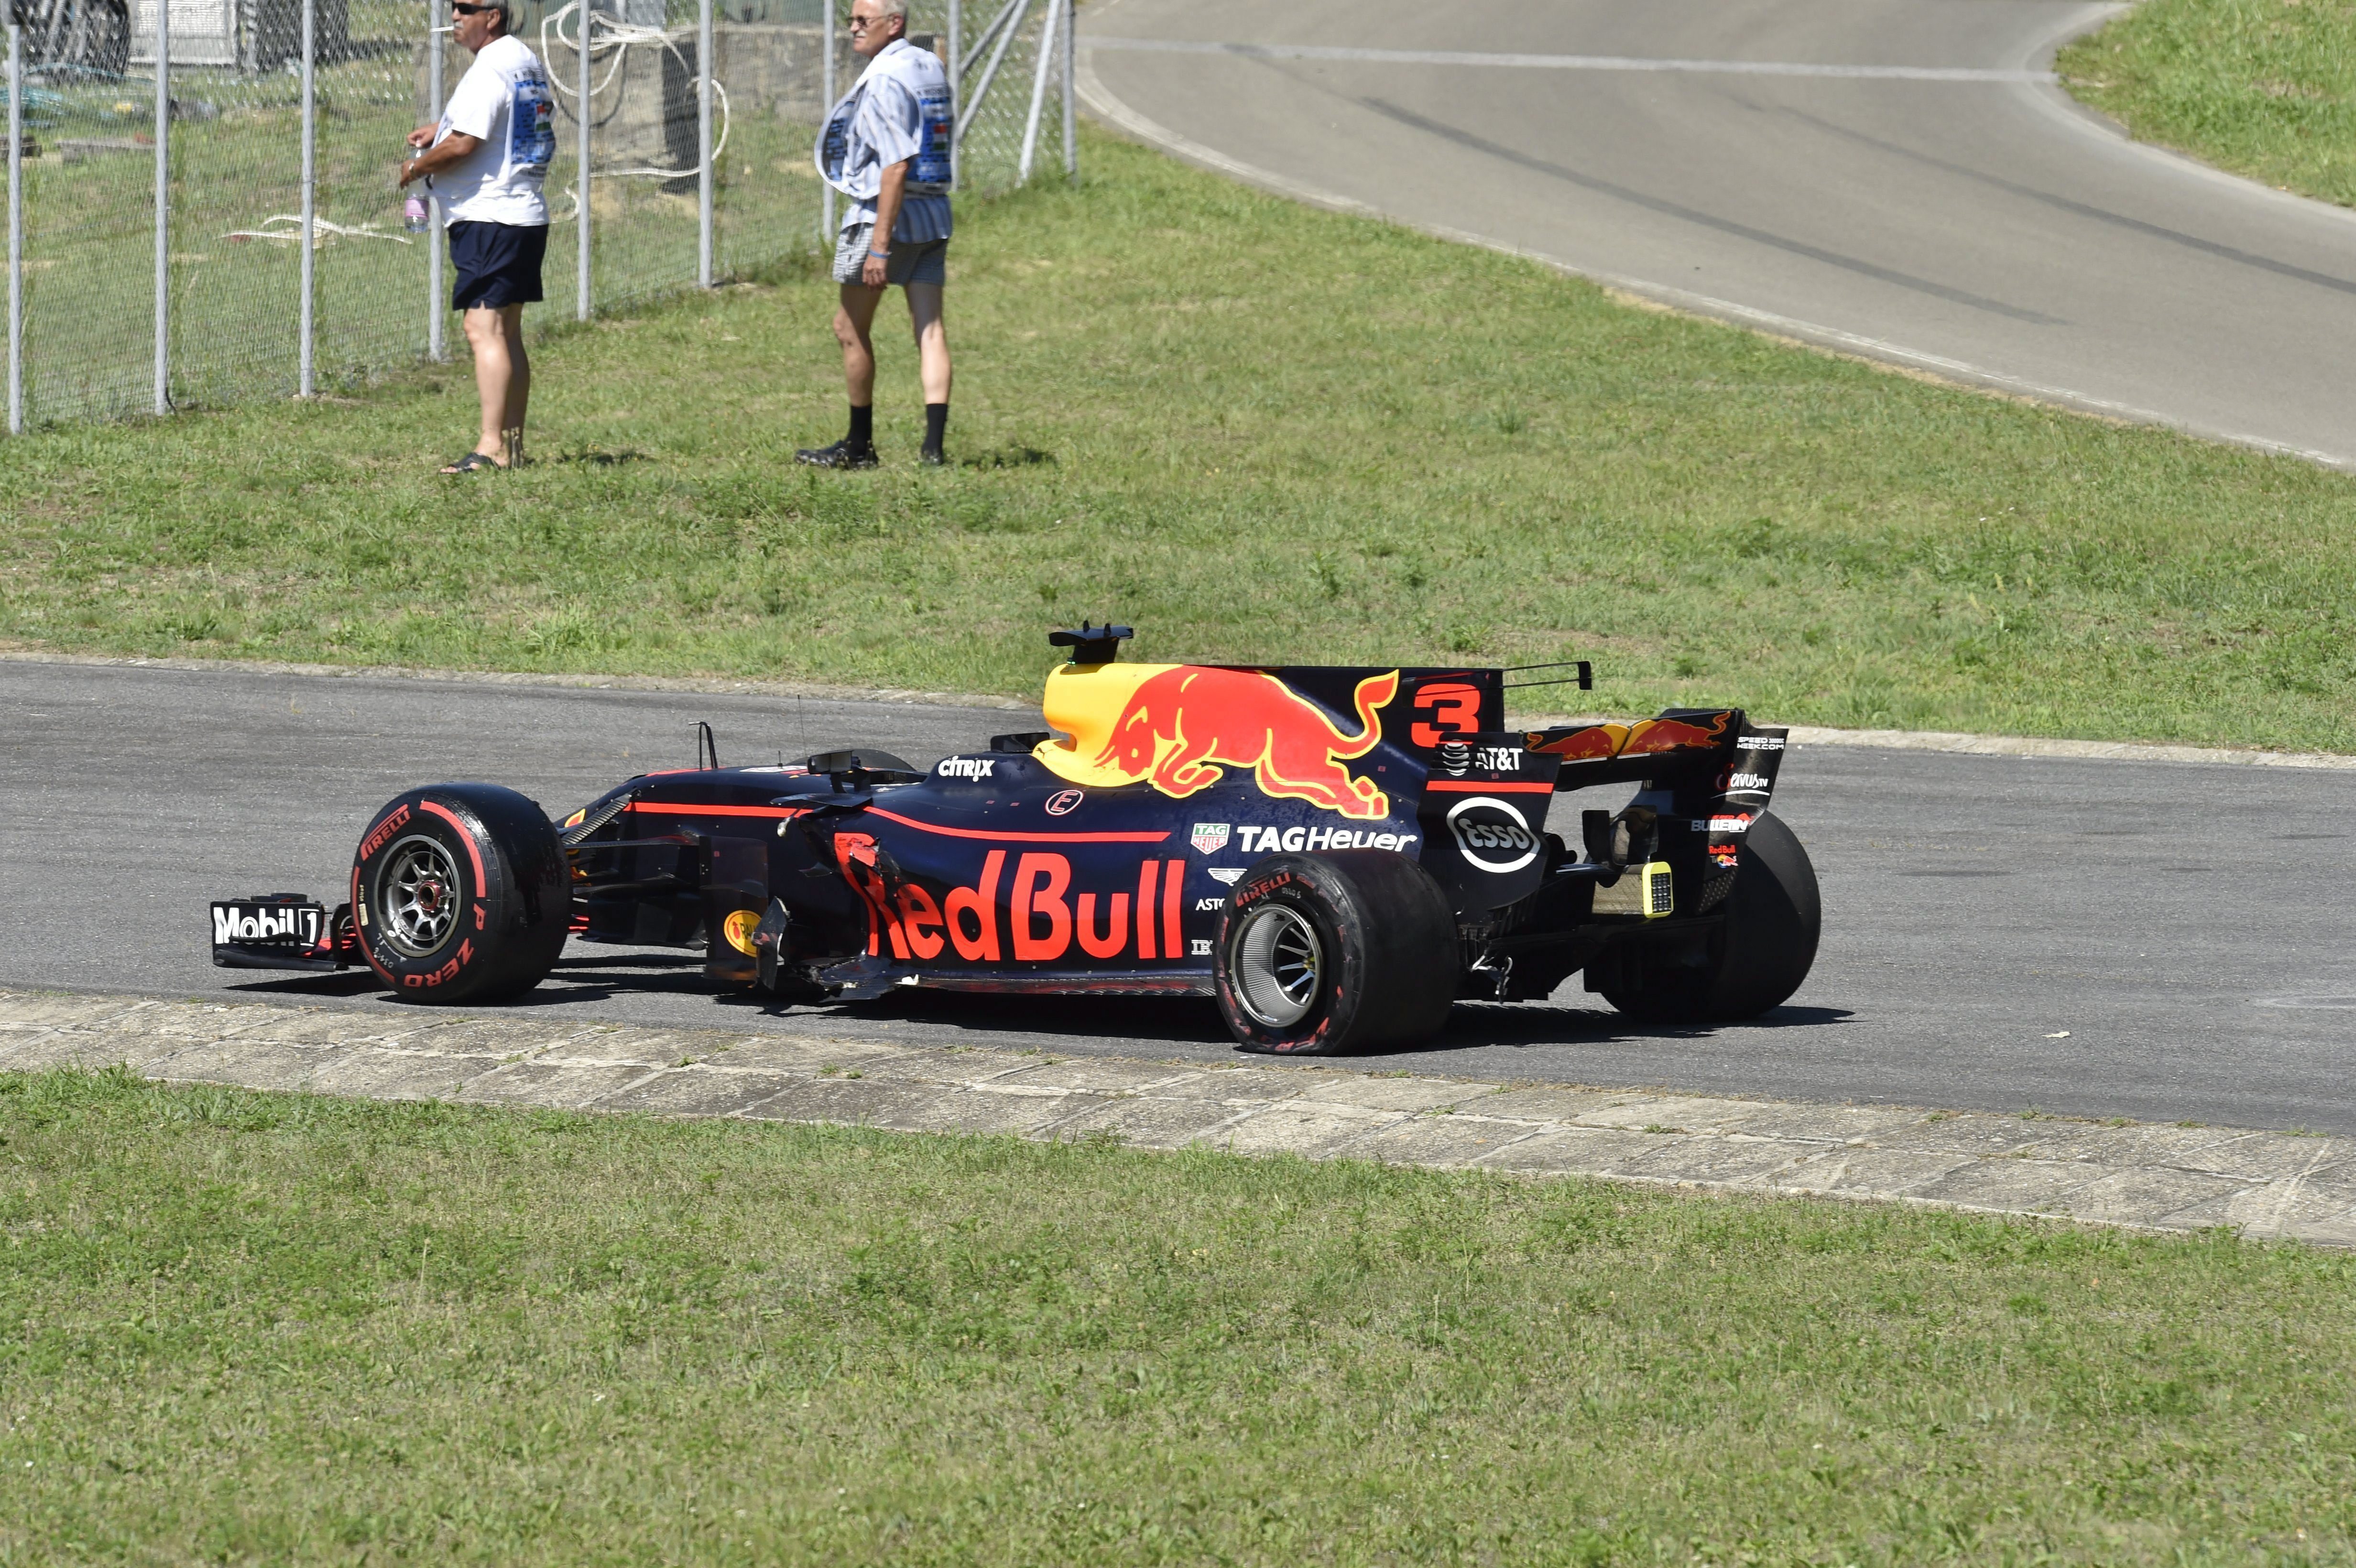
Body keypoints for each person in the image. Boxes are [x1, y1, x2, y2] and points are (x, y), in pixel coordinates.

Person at [398, 0, 555, 474]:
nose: (456, 17)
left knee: (482, 330)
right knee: (506, 333)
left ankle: (492, 449)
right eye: (454, 8)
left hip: (491, 218)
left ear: (494, 15)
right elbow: (497, 126)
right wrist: (440, 129)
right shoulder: (520, 58)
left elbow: (466, 145)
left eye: (467, 8)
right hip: (522, 214)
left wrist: (415, 168)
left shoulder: (490, 69)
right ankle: (512, 444)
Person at [798, 0, 954, 469]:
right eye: (850, 19)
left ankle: (859, 445)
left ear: (895, 23)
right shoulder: (926, 63)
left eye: (862, 20)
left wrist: (879, 249)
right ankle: (932, 448)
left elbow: (895, 166)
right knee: (929, 328)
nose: (852, 28)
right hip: (933, 214)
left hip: (884, 219)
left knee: (848, 328)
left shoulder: (885, 80)